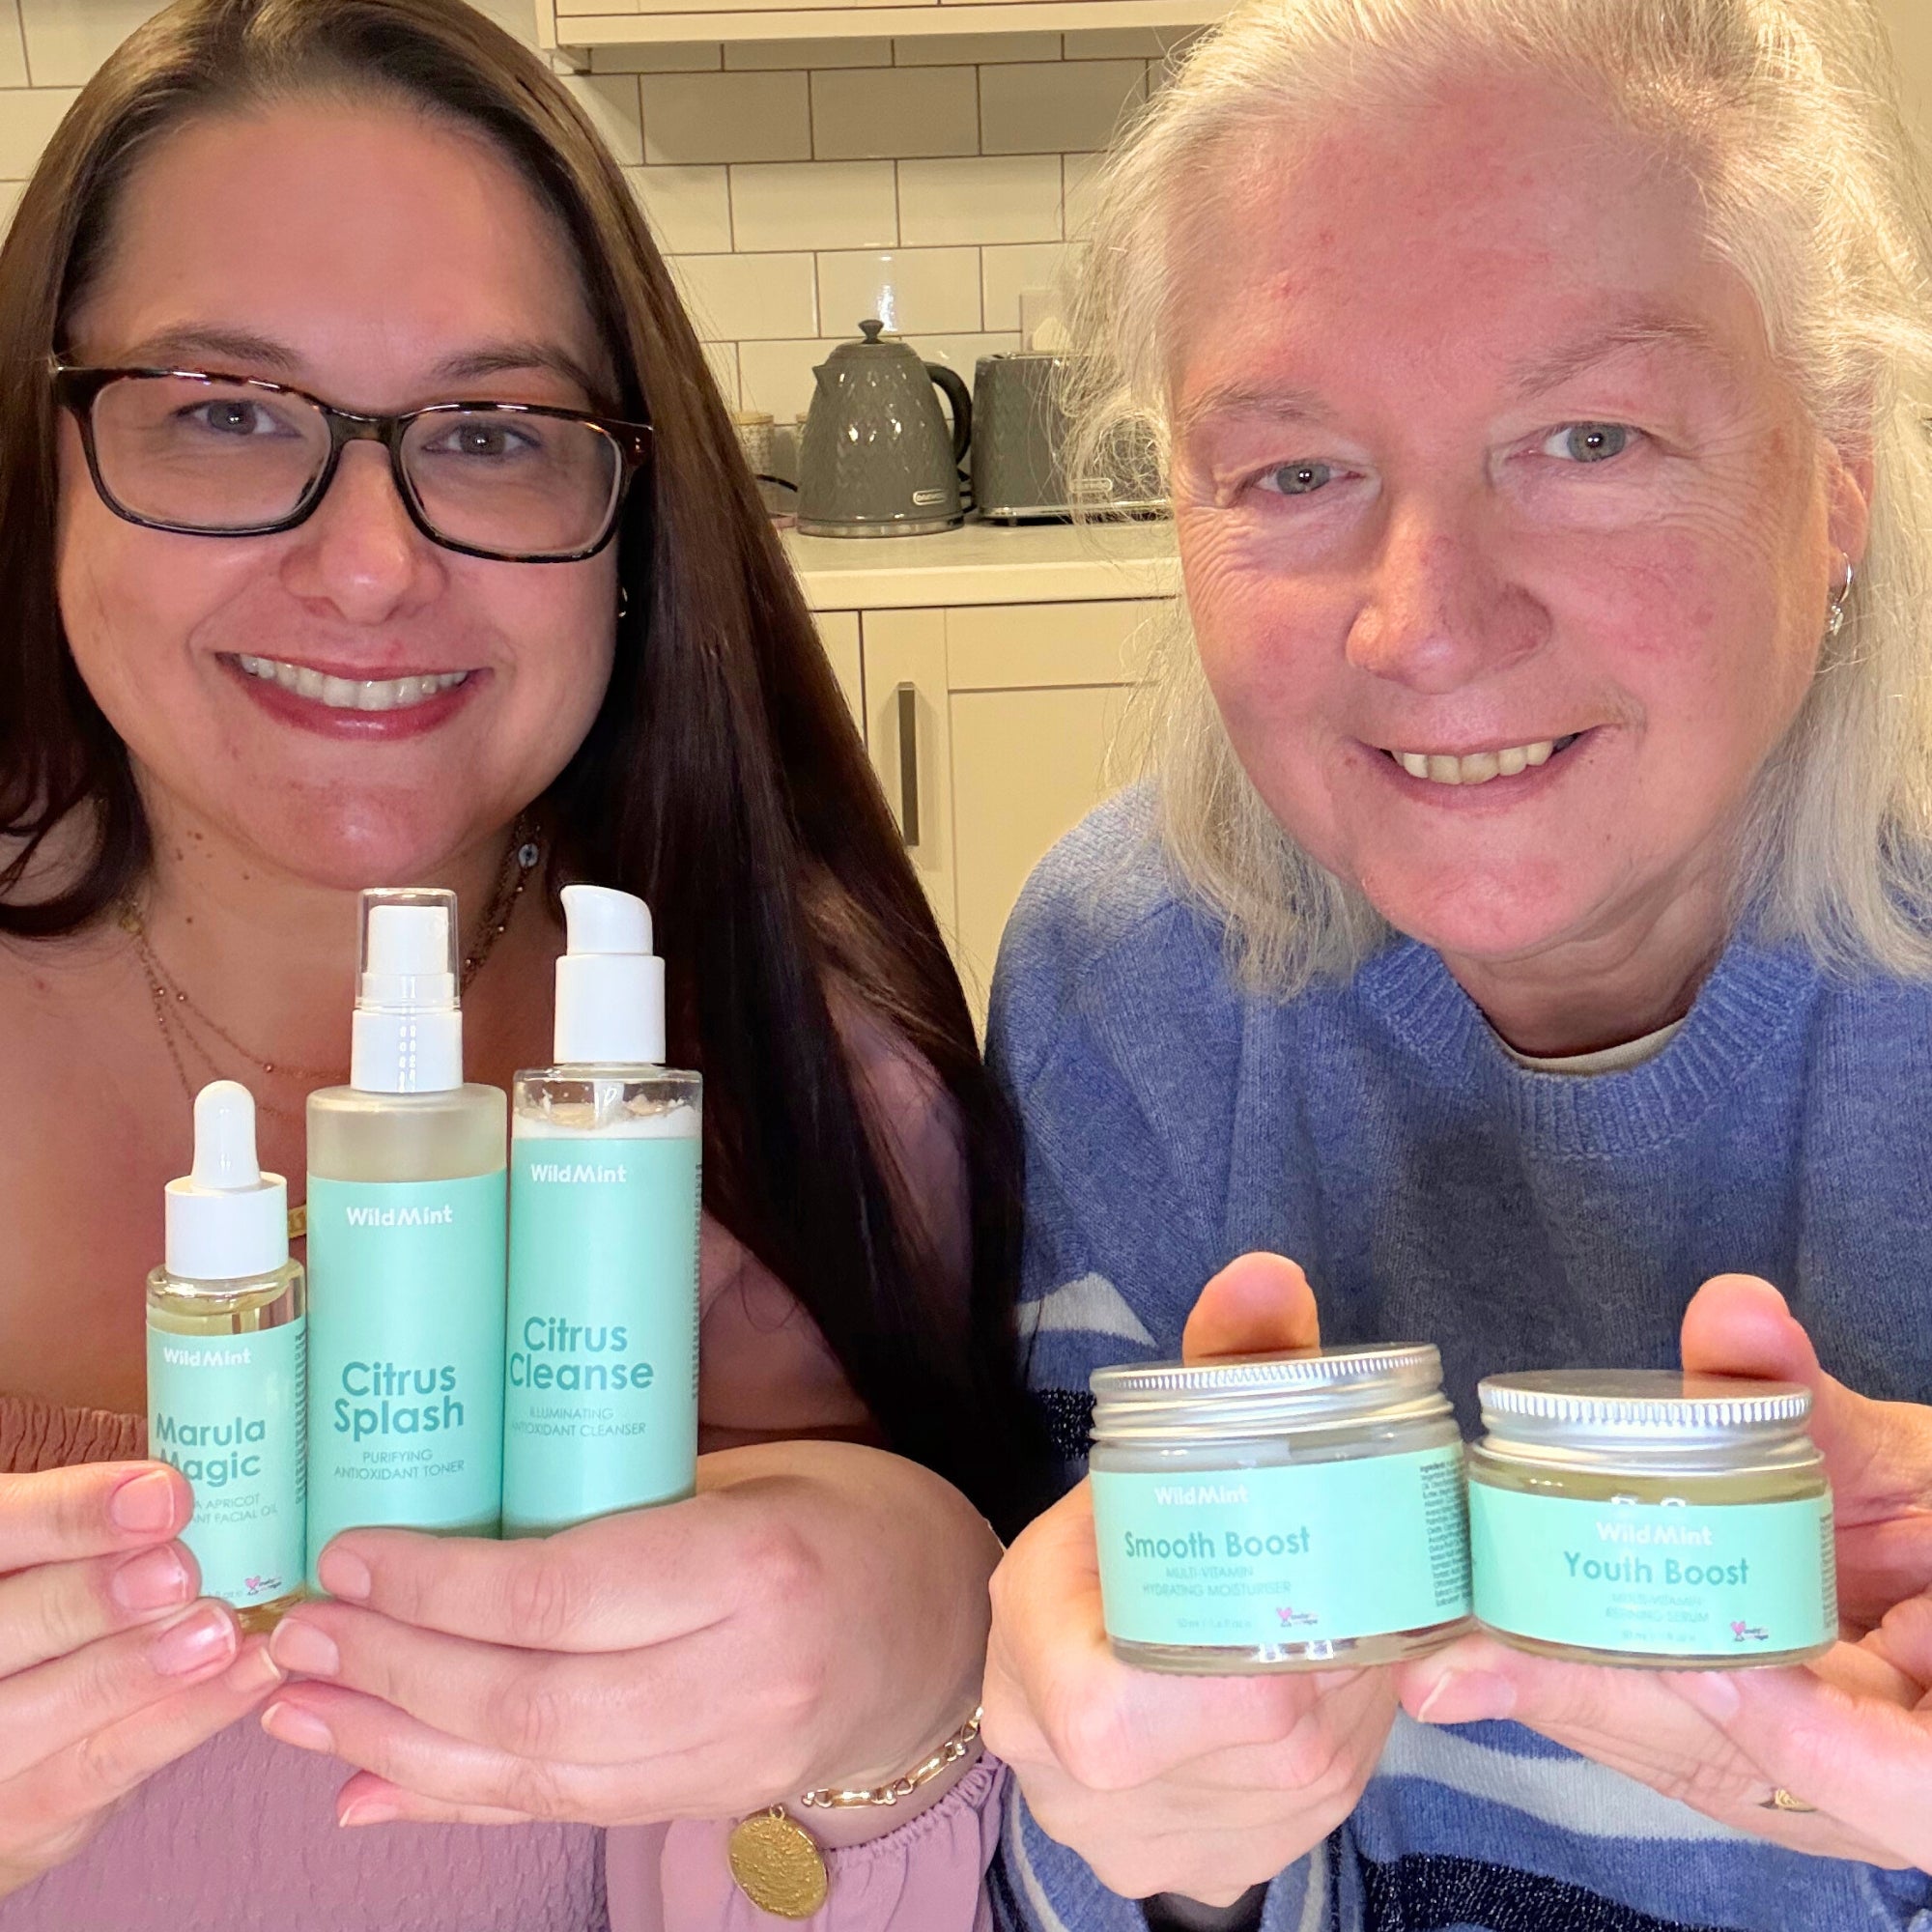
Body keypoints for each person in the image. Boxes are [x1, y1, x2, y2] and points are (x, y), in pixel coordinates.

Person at [0, 1, 1039, 1925]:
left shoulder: (815, 1101)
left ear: (633, 525)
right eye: (225, 411)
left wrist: (916, 1649)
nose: (372, 567)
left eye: (493, 434)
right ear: (39, 455)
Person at [976, 0, 1932, 1926]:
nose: (1423, 624)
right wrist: (1173, 1859)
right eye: (1293, 473)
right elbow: (1103, 1829)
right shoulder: (1128, 989)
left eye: (1588, 438)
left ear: (1835, 469)